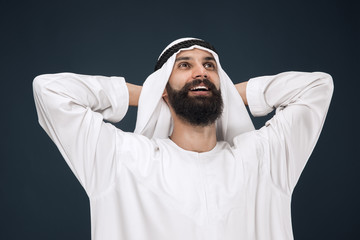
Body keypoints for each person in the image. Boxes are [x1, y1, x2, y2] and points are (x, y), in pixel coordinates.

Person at [33, 37, 333, 240]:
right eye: (185, 65)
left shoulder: (263, 160)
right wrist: (153, 95)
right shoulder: (122, 160)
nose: (200, 73)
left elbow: (317, 86)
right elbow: (50, 90)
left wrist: (228, 93)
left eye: (209, 66)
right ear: (163, 84)